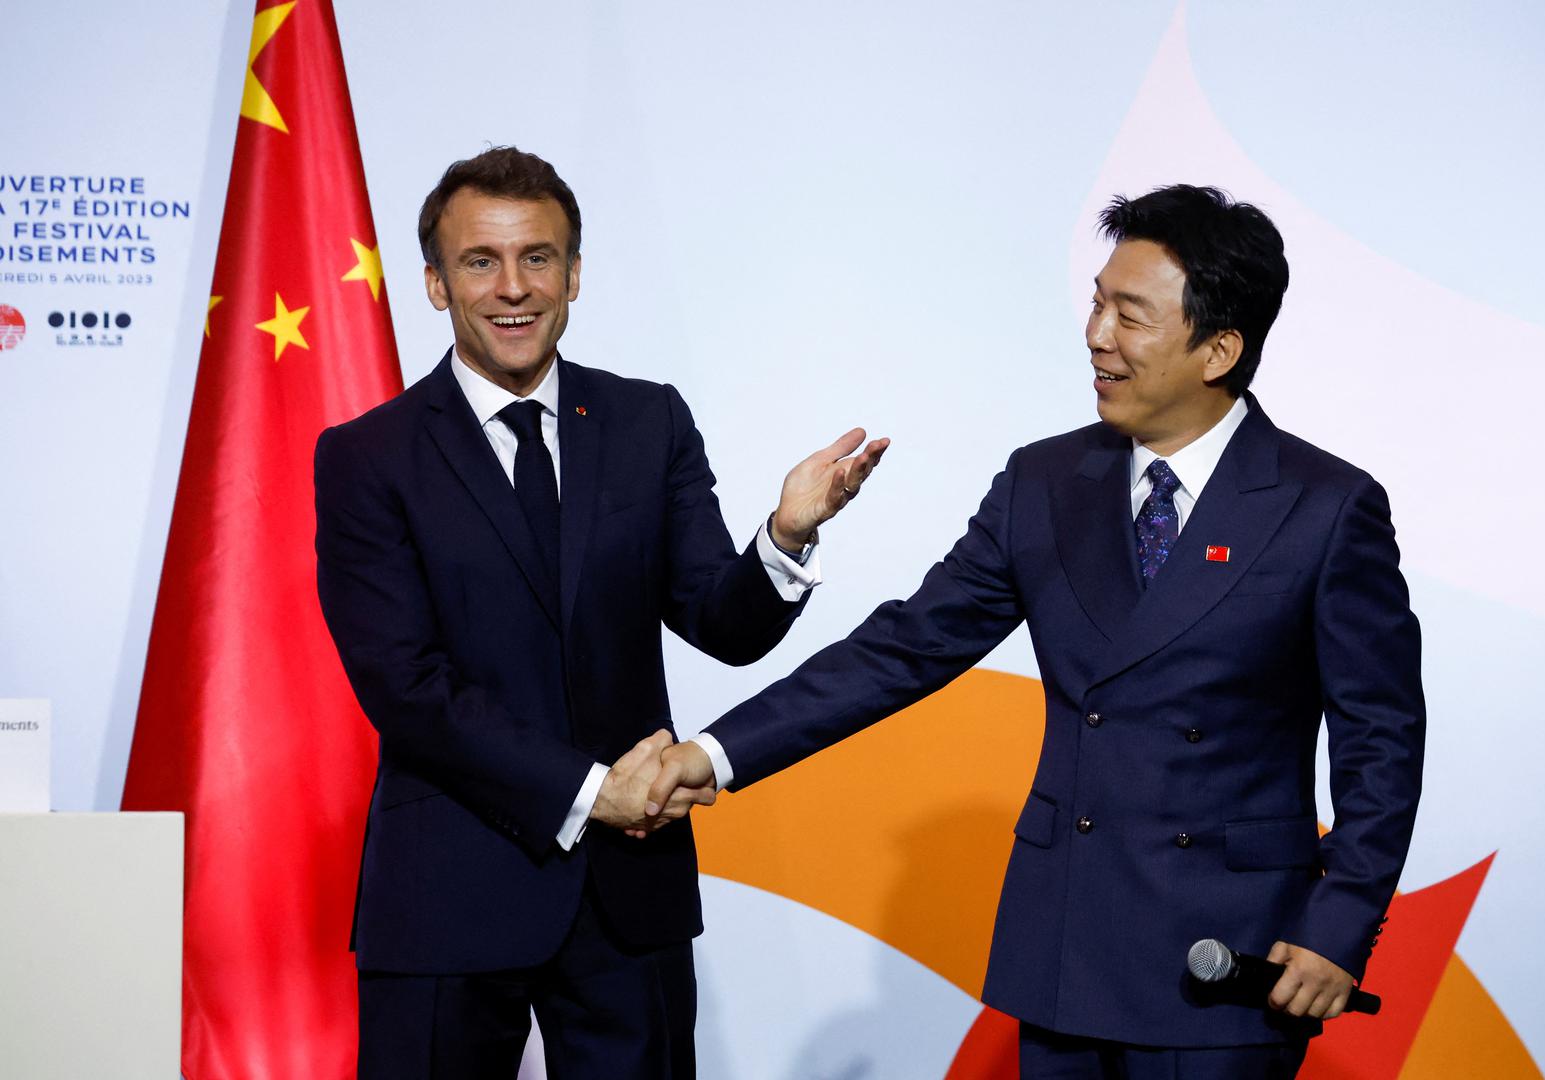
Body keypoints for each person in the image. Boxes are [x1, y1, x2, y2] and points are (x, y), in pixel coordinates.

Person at [648, 185, 1425, 1079]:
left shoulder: (1324, 508)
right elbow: (903, 649)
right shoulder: (1043, 482)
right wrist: (711, 754)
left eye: (1128, 315)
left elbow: (1381, 741)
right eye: (1095, 302)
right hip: (1064, 950)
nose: (1096, 335)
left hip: (1226, 961)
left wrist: (1336, 927)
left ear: (1218, 349)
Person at [313, 146, 887, 1080]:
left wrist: (783, 536)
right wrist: (591, 790)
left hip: (632, 888)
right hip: (450, 891)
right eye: (479, 260)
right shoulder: (366, 458)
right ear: (432, 282)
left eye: (537, 258)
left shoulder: (646, 421)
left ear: (574, 275)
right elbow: (406, 687)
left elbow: (722, 623)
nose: (513, 288)